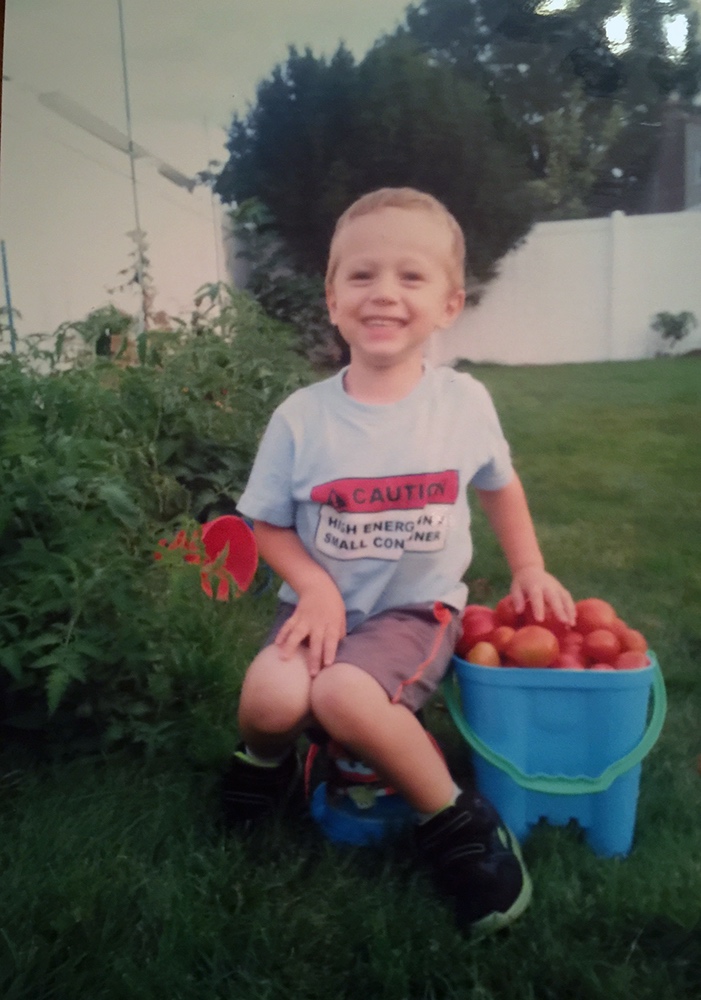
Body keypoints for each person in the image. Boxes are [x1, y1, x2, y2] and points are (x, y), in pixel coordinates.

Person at [222, 187, 575, 936]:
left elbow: (499, 487)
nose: (383, 292)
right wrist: (312, 586)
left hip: (412, 611)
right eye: (362, 275)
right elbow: (263, 525)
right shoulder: (302, 416)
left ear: (449, 304)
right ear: (331, 298)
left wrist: (529, 568)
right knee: (268, 700)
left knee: (345, 695)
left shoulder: (461, 403)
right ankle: (269, 770)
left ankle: (457, 821)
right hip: (318, 609)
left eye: (410, 277)